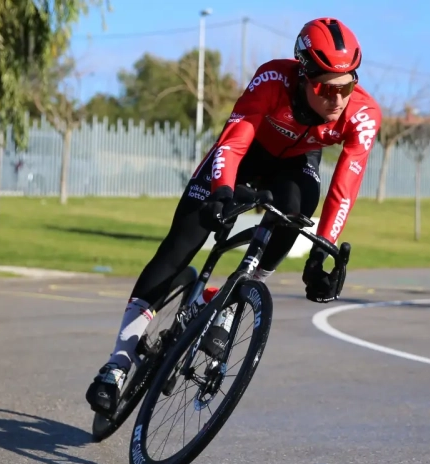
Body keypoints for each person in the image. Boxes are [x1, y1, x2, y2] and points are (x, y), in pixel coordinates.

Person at [85, 18, 382, 416]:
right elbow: (235, 137)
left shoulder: (363, 114)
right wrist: (222, 191)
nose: (338, 98)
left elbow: (345, 186)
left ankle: (228, 301)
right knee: (178, 249)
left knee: (297, 207)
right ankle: (117, 365)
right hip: (243, 156)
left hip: (294, 165)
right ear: (302, 73)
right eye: (326, 87)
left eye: (347, 85)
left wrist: (320, 254)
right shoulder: (273, 78)